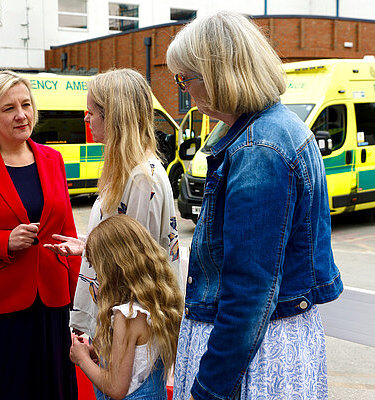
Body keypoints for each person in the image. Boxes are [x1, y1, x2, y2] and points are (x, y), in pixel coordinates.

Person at [165, 11, 343, 400]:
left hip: (252, 358)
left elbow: (250, 291)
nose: (183, 90)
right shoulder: (270, 128)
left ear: (214, 77)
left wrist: (209, 386)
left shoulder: (259, 147)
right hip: (265, 346)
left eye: (184, 78)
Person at [0, 70, 81, 400]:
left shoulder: (52, 159)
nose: (21, 115)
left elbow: (67, 230)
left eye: (25, 105)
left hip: (53, 302)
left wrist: (80, 305)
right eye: (9, 108)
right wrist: (1, 241)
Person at [44, 68, 181, 337]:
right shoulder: (127, 170)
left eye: (91, 112)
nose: (86, 118)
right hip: (118, 327)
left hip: (128, 335)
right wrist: (88, 246)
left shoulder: (143, 179)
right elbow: (126, 245)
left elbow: (136, 269)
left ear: (114, 117)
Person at [70, 215, 184, 400]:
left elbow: (116, 388)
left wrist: (81, 358)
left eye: (96, 267)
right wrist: (102, 352)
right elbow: (139, 363)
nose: (96, 275)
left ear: (112, 268)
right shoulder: (152, 305)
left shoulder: (128, 315)